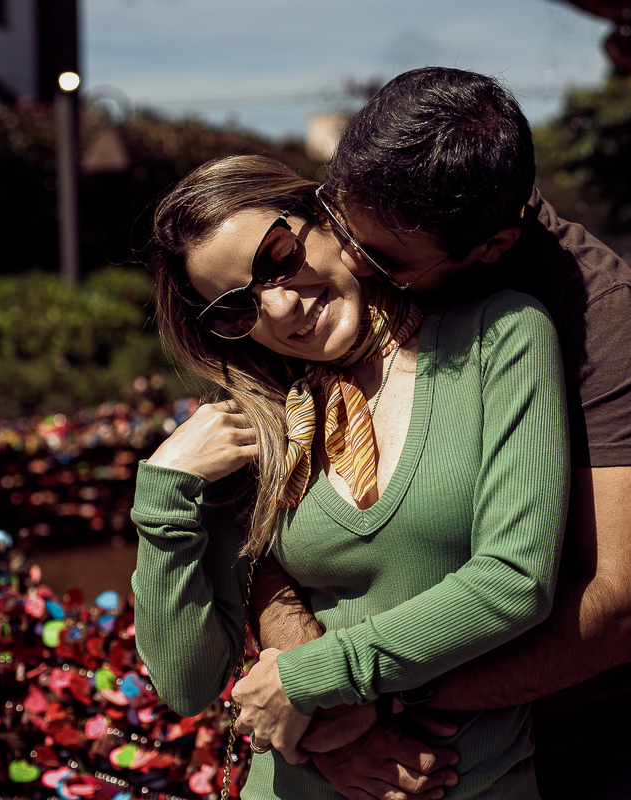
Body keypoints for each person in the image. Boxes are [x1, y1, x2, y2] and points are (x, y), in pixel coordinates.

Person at [236, 67, 631, 800]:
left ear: (492, 246)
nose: (347, 262)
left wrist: (369, 698)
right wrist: (323, 712)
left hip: (568, 747)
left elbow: (616, 609)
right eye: (337, 221)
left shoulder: (598, 314)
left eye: (383, 262)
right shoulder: (328, 274)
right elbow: (259, 538)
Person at [130, 154, 571, 798]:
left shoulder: (499, 337)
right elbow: (187, 685)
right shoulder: (260, 427)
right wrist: (163, 498)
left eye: (277, 256)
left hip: (467, 782)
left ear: (327, 217)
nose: (279, 308)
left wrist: (312, 678)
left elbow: (515, 581)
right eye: (236, 309)